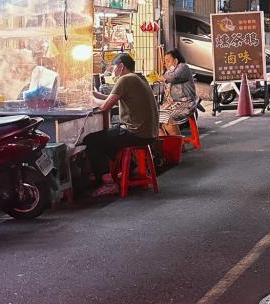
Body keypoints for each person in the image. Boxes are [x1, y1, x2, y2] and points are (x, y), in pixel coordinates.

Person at [84, 53, 159, 196]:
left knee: (92, 140)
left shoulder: (125, 79)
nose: (112, 72)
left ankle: (109, 183)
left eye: (113, 68)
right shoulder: (138, 78)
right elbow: (111, 98)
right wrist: (93, 94)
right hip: (148, 133)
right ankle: (132, 169)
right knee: (109, 137)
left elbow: (105, 106)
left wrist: (91, 101)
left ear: (121, 67)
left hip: (136, 133)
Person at [159, 49, 198, 136]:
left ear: (176, 60)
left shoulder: (183, 67)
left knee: (167, 117)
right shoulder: (168, 72)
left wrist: (162, 78)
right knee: (153, 118)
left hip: (186, 104)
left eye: (168, 61)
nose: (166, 64)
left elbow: (173, 77)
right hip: (172, 104)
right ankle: (164, 145)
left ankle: (179, 145)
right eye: (165, 62)